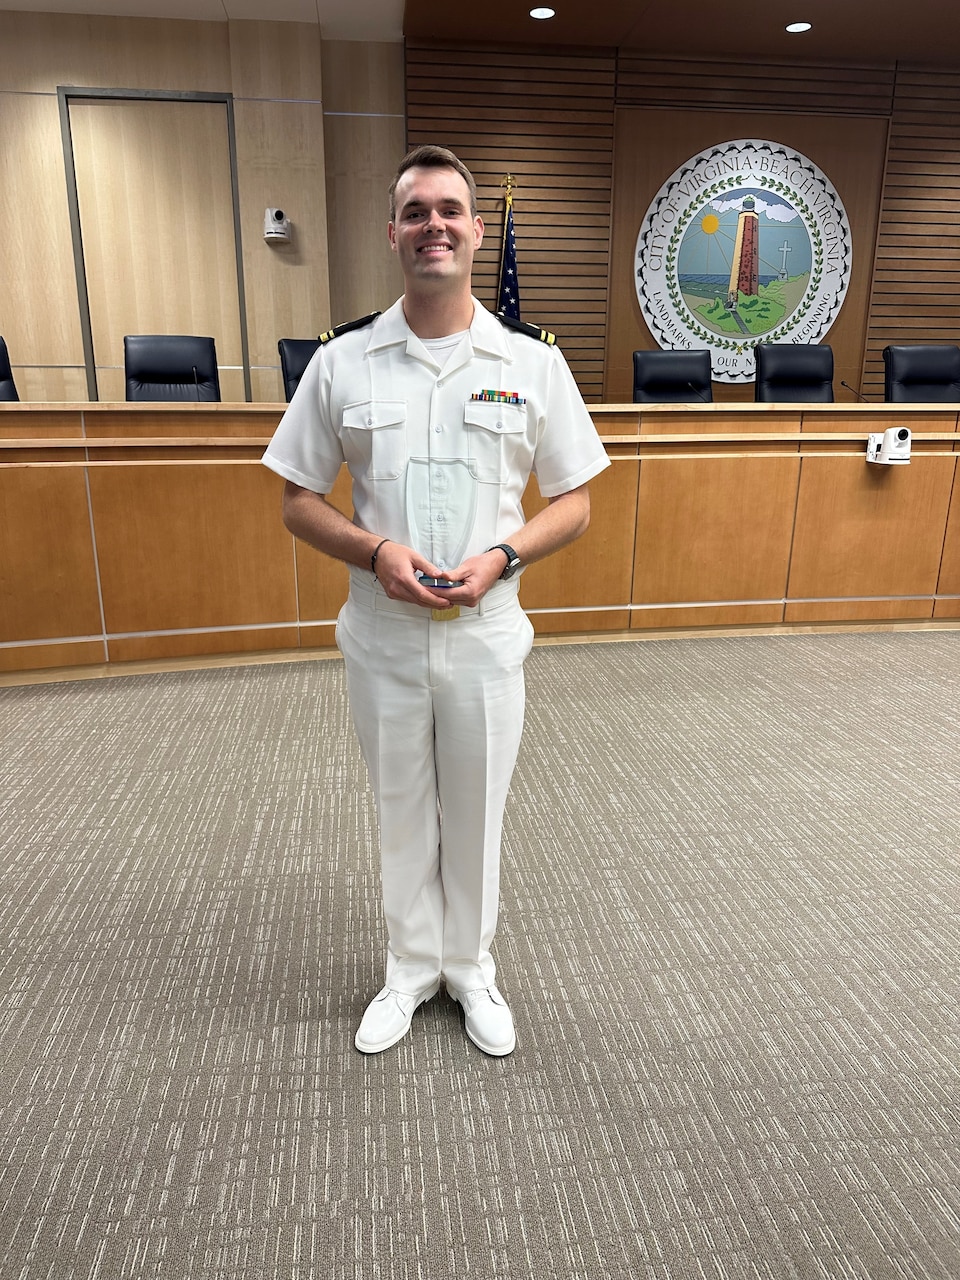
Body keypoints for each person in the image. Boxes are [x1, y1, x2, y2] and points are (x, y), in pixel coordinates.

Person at [262, 144, 609, 1057]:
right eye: (416, 212)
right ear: (393, 234)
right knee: (403, 807)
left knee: (479, 810)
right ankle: (410, 970)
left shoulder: (530, 362)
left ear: (475, 228)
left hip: (487, 631)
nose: (435, 226)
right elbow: (298, 496)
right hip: (382, 630)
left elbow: (575, 499)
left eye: (450, 210)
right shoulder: (343, 361)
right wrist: (375, 551)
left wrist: (505, 552)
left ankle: (471, 971)